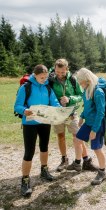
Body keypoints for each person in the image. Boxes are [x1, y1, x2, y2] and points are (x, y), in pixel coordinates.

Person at [14, 64, 61, 197]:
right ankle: (25, 180)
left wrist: (59, 110)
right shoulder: (26, 87)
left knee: (44, 147)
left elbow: (54, 102)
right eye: (41, 77)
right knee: (29, 152)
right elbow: (17, 106)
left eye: (46, 77)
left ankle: (44, 170)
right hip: (29, 123)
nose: (44, 79)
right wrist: (25, 111)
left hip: (45, 122)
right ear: (35, 75)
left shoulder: (47, 86)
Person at [49, 58, 98, 172]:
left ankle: (86, 161)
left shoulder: (72, 79)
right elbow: (47, 94)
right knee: (60, 136)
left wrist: (70, 99)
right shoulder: (50, 79)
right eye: (57, 72)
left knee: (78, 136)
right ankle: (64, 160)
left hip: (71, 113)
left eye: (62, 72)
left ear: (67, 69)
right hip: (57, 113)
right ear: (55, 69)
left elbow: (81, 95)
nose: (60, 75)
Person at [70, 67, 106, 185]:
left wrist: (94, 130)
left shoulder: (98, 92)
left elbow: (100, 113)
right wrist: (81, 116)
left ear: (88, 80)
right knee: (77, 139)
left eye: (81, 82)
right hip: (88, 123)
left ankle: (102, 172)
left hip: (97, 124)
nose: (80, 84)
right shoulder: (86, 90)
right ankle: (79, 162)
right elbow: (87, 107)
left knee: (97, 148)